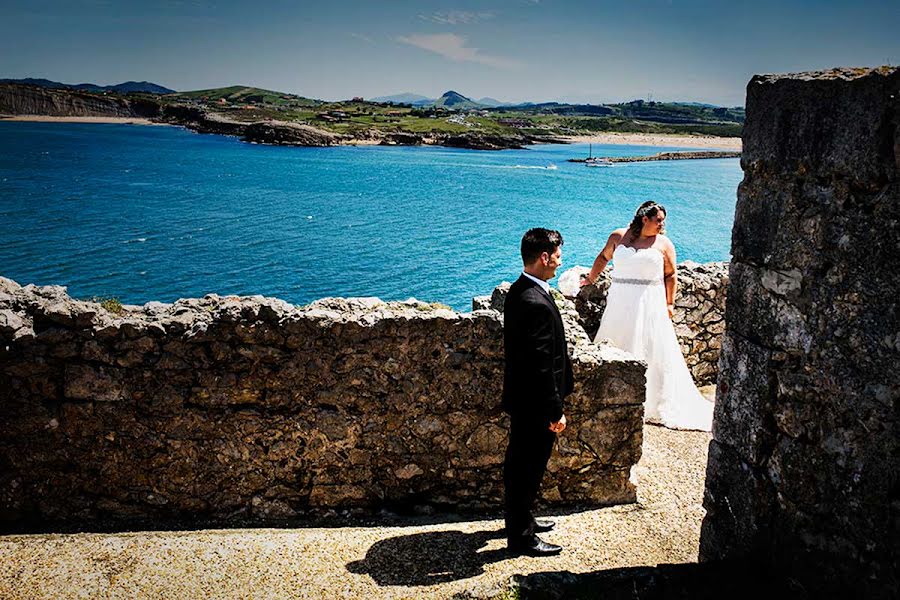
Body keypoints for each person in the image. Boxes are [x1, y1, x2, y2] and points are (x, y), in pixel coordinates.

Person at [580, 201, 713, 431]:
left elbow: (671, 275)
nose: (662, 224)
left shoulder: (664, 244)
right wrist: (591, 279)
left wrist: (669, 303)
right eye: (658, 220)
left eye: (662, 220)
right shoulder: (618, 236)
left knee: (652, 349)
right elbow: (603, 258)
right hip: (620, 301)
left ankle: (649, 401)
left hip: (649, 303)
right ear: (644, 219)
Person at [502, 227, 573, 556]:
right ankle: (522, 537)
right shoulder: (535, 302)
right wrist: (554, 410)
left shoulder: (520, 290)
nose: (560, 262)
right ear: (544, 257)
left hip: (523, 399)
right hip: (535, 404)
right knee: (526, 469)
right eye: (557, 256)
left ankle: (524, 519)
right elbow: (543, 364)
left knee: (522, 465)